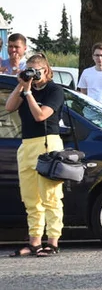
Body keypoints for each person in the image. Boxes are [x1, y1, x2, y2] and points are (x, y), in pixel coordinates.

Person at [6, 54, 65, 257]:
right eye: (29, 69)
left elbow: (40, 116)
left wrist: (29, 93)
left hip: (48, 145)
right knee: (30, 198)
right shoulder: (25, 88)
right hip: (27, 146)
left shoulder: (55, 91)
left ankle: (53, 241)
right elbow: (9, 107)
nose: (32, 74)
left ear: (46, 71)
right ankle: (34, 242)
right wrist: (21, 85)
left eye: (36, 71)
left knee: (51, 197)